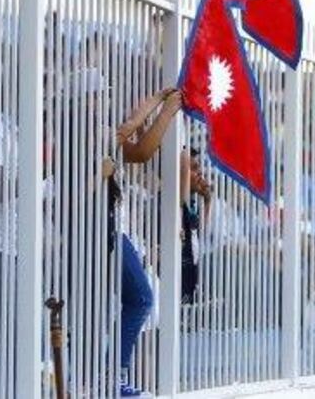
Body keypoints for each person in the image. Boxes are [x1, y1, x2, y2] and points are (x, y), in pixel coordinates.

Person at [112, 87, 182, 398]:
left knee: (138, 303)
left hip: (118, 231)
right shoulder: (93, 129)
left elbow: (144, 158)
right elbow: (138, 148)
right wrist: (161, 108)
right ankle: (110, 378)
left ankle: (110, 377)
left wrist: (156, 115)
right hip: (109, 231)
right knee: (141, 299)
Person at [180, 148, 212, 304]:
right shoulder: (176, 201)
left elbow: (198, 234)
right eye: (194, 168)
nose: (200, 173)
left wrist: (207, 200)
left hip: (190, 277)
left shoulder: (192, 202)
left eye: (199, 168)